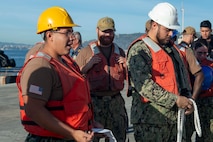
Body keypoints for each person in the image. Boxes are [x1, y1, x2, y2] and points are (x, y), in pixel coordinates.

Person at [16, 6, 95, 142]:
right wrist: (73, 133)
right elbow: (34, 110)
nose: (72, 38)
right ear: (50, 35)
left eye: (72, 32)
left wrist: (90, 124)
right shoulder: (41, 67)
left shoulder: (65, 62)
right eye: (67, 33)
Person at [127, 2, 194, 141]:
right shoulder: (139, 50)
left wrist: (188, 98)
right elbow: (145, 86)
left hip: (175, 121)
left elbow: (182, 76)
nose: (171, 34)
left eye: (173, 31)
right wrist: (176, 100)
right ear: (154, 25)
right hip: (151, 124)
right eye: (167, 30)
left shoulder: (172, 49)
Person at [75, 16, 128, 142]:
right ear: (97, 31)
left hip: (116, 103)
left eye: (110, 31)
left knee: (118, 137)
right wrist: (88, 65)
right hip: (94, 103)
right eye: (104, 31)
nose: (107, 34)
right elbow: (74, 76)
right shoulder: (86, 52)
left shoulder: (119, 51)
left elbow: (128, 77)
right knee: (91, 138)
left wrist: (127, 65)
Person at [192, 41, 213, 141]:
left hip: (208, 102)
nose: (203, 56)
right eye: (200, 53)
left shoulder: (210, 65)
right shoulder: (188, 65)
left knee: (208, 133)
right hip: (192, 101)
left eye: (205, 53)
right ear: (194, 51)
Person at [178, 26, 204, 100]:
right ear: (192, 36)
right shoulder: (187, 51)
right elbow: (199, 75)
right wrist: (193, 98)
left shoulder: (175, 48)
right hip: (185, 89)